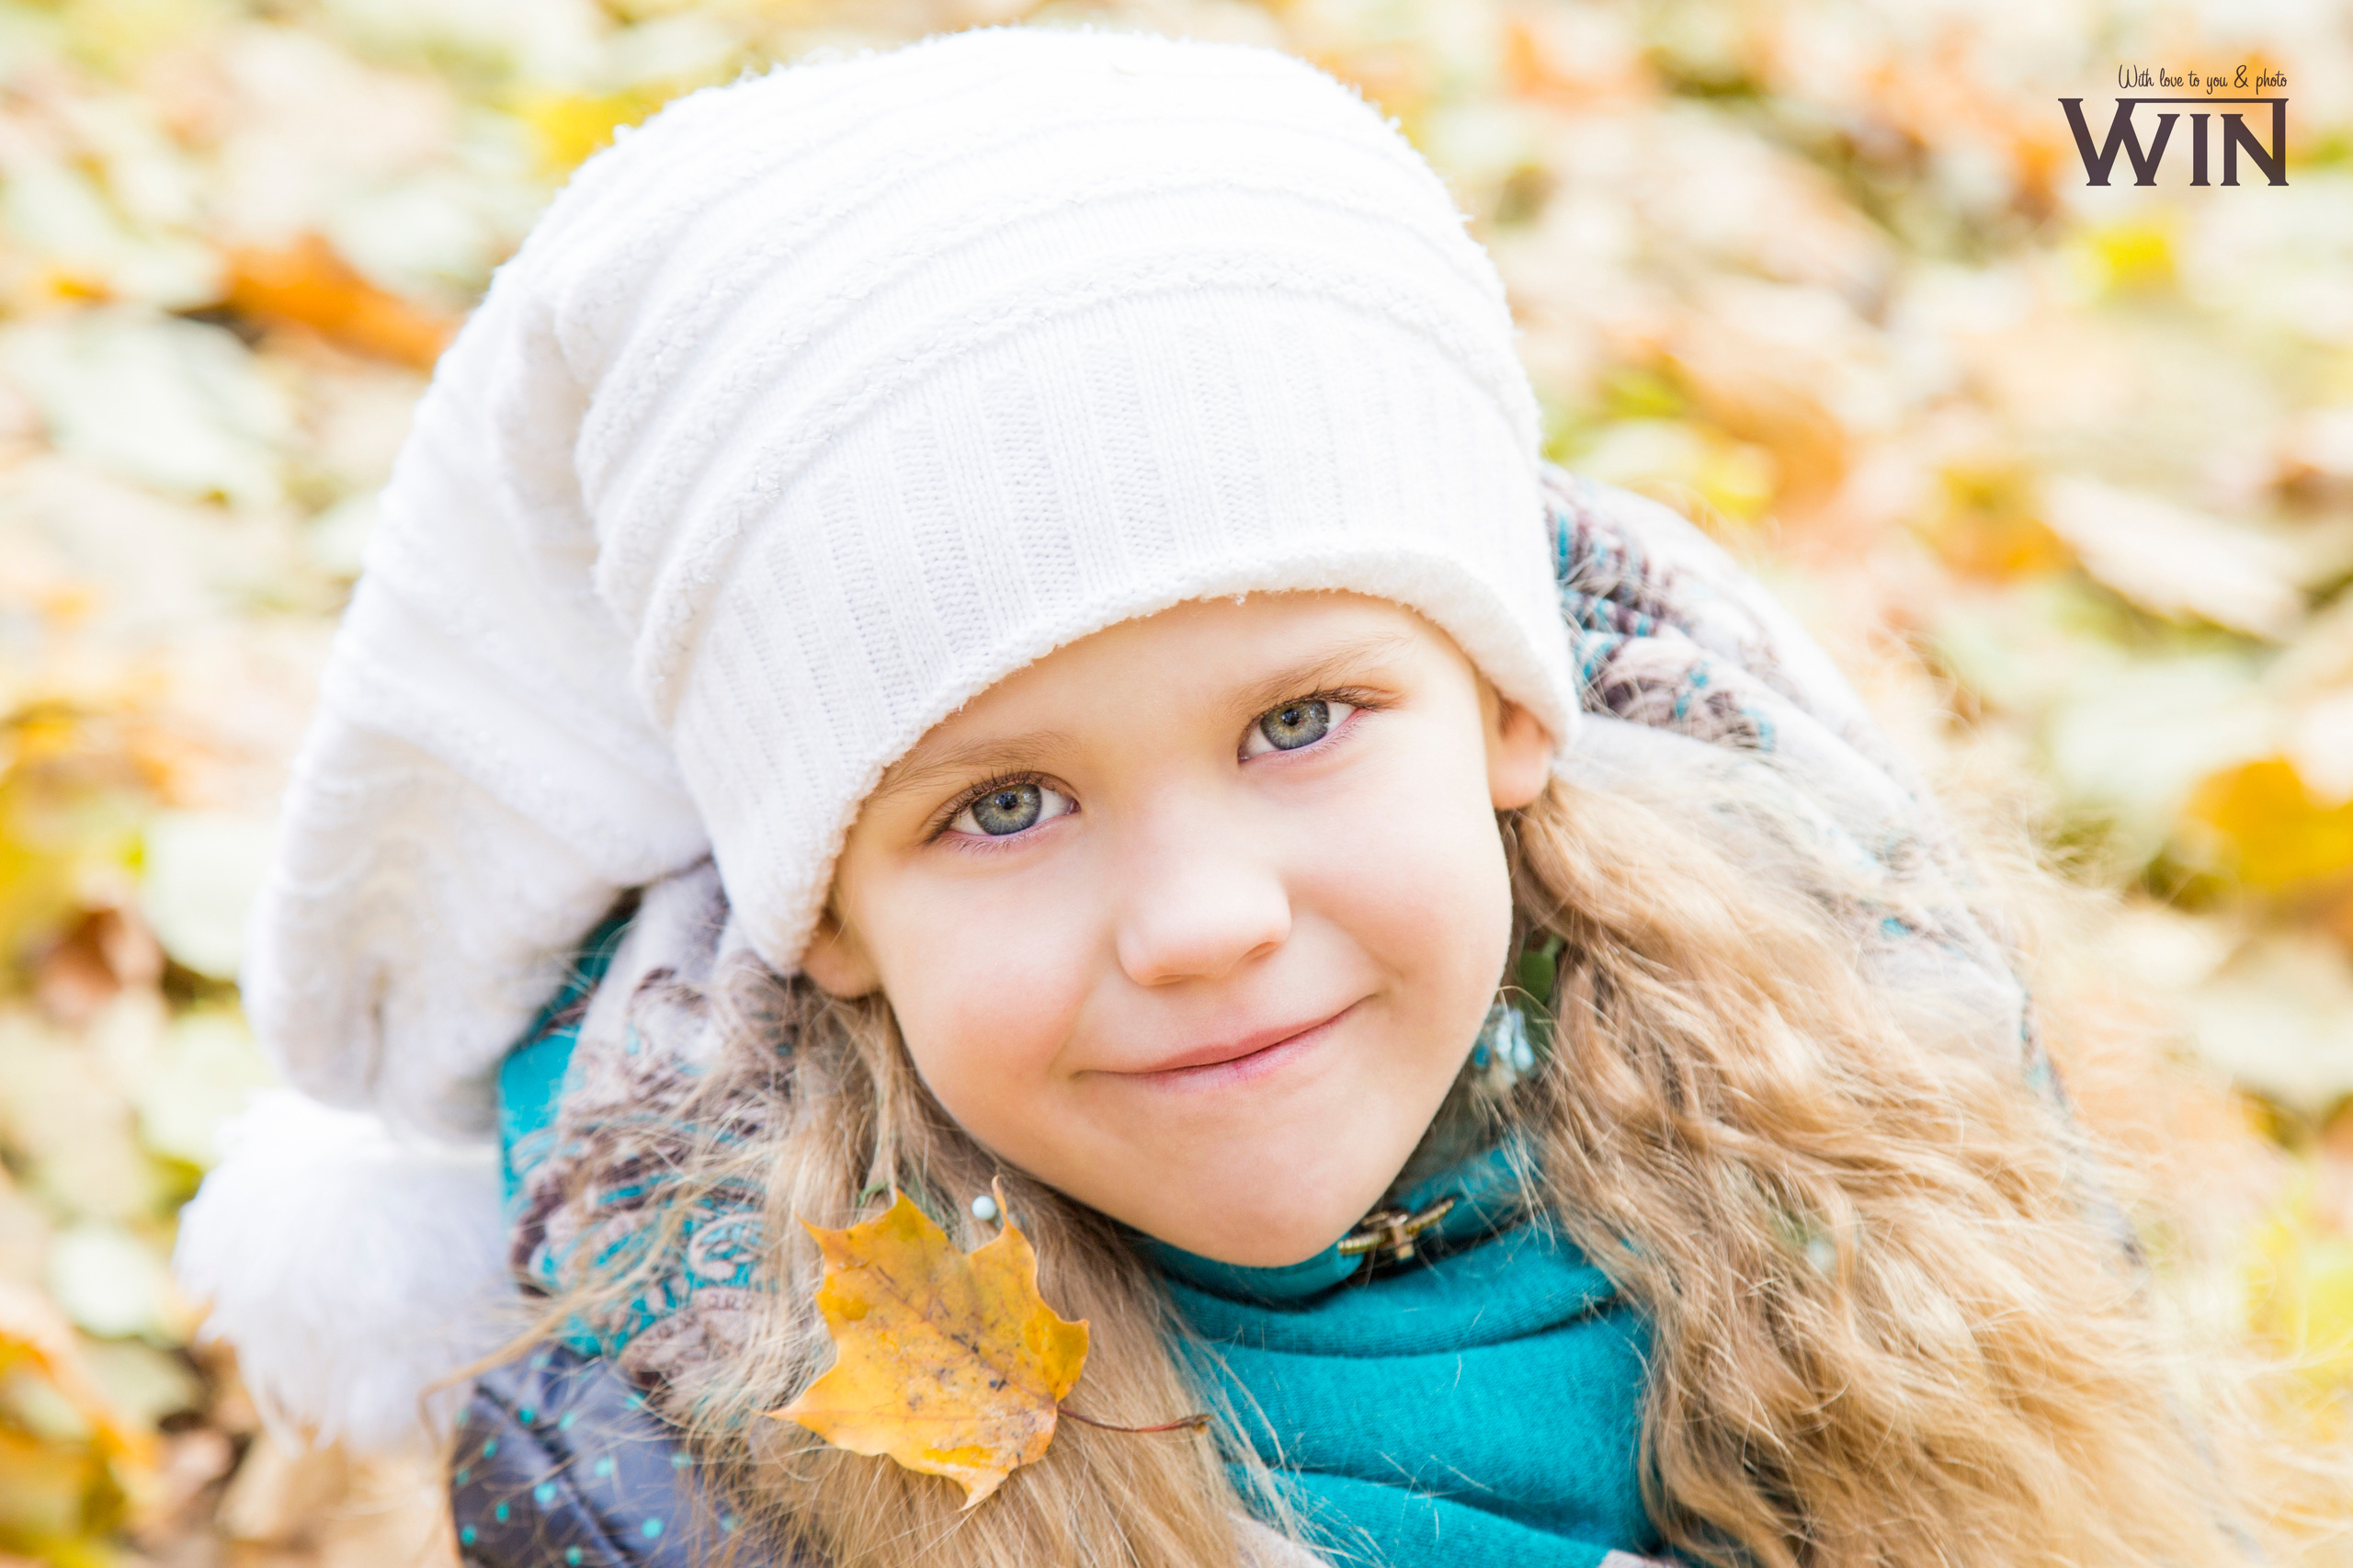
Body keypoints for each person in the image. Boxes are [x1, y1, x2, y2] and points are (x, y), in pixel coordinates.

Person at [176, 24, 2276, 1568]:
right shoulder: (690, 1442)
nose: (1200, 918)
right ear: (821, 906)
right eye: (998, 805)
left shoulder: (1868, 1104)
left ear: (1501, 717)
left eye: (1297, 723)